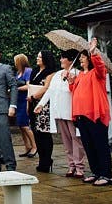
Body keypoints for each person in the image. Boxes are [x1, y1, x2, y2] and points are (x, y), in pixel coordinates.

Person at [67, 38, 112, 186]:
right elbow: (75, 91)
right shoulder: (80, 75)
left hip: (95, 115)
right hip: (81, 116)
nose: (81, 59)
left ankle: (107, 175)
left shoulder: (97, 73)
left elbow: (100, 66)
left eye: (83, 57)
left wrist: (93, 51)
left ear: (89, 59)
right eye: (80, 57)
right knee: (89, 145)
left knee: (100, 145)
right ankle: (96, 172)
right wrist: (70, 82)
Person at [34, 49, 85, 178]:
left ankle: (79, 167)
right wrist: (41, 104)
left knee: (76, 140)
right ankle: (71, 165)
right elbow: (50, 91)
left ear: (70, 60)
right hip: (60, 112)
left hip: (72, 112)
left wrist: (70, 81)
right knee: (66, 140)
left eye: (63, 58)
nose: (61, 60)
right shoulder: (57, 75)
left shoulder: (78, 74)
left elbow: (78, 92)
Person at [27, 50, 56, 173]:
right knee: (36, 133)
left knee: (44, 134)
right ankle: (41, 159)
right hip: (33, 104)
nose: (37, 58)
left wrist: (34, 97)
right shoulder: (34, 71)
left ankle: (47, 160)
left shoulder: (50, 73)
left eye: (40, 57)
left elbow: (46, 88)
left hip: (44, 106)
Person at [13, 54, 36, 158]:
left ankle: (34, 146)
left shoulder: (28, 71)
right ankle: (27, 146)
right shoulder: (18, 73)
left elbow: (28, 86)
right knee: (21, 125)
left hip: (24, 100)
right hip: (18, 100)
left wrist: (16, 89)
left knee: (26, 125)